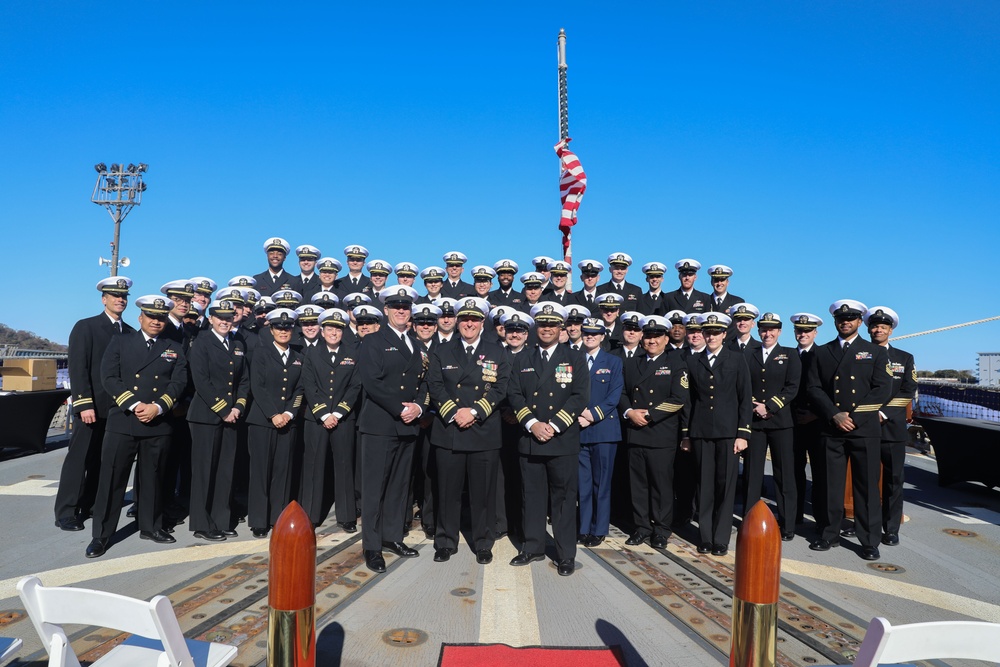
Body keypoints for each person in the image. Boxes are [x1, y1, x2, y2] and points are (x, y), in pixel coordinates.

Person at [85, 295, 189, 558]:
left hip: (158, 421)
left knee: (153, 478)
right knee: (112, 481)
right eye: (151, 316)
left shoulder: (174, 347)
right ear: (140, 317)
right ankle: (102, 535)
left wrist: (159, 407)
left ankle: (151, 526)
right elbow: (109, 377)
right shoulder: (120, 341)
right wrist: (134, 404)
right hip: (124, 421)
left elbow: (179, 382)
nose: (156, 321)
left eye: (161, 317)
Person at [507, 302, 590, 576]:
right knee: (531, 496)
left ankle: (565, 554)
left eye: (552, 324)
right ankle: (533, 547)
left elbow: (580, 396)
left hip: (561, 439)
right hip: (530, 437)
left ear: (561, 328)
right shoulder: (522, 358)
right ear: (535, 327)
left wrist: (553, 425)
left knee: (564, 500)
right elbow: (514, 395)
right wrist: (532, 424)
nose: (546, 329)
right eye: (542, 324)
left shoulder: (575, 357)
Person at [426, 297, 511, 564]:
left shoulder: (497, 351)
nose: (469, 324)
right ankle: (445, 541)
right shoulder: (441, 350)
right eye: (465, 319)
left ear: (482, 323)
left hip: (483, 430)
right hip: (449, 429)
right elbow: (435, 386)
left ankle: (483, 542)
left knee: (482, 494)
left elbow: (501, 387)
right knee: (447, 493)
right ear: (458, 322)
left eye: (475, 319)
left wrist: (473, 411)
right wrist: (455, 412)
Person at [805, 300, 891, 561]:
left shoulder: (875, 353)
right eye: (842, 318)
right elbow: (813, 388)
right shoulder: (821, 353)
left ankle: (869, 540)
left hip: (863, 429)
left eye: (851, 318)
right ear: (835, 322)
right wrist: (834, 414)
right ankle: (829, 533)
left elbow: (882, 388)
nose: (846, 322)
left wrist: (853, 416)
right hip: (832, 427)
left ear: (859, 322)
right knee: (831, 485)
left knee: (866, 487)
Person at [357, 285, 430, 573]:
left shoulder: (417, 344)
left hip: (408, 425)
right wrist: (400, 407)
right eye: (396, 306)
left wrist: (420, 408)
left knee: (400, 488)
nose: (402, 311)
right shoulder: (373, 341)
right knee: (375, 489)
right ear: (386, 310)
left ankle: (392, 537)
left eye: (406, 307)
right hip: (381, 425)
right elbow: (372, 382)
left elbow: (425, 381)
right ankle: (372, 546)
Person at [55, 276, 134, 532]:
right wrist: (83, 404)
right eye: (115, 296)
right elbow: (79, 368)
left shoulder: (130, 333)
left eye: (123, 297)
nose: (120, 300)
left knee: (104, 460)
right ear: (104, 299)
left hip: (117, 410)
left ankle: (90, 505)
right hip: (92, 407)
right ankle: (67, 511)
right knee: (79, 459)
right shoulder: (86, 327)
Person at [681, 312, 752, 557]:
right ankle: (705, 536)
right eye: (707, 332)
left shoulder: (736, 359)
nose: (710, 336)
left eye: (715, 332)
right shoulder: (693, 361)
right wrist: (687, 434)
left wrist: (743, 433)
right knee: (705, 484)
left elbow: (745, 398)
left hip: (728, 433)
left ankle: (721, 538)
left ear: (724, 334)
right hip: (701, 432)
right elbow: (689, 401)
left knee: (725, 484)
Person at [618, 315, 689, 548]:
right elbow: (621, 392)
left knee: (661, 485)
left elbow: (679, 399)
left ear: (666, 338)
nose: (651, 341)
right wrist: (629, 412)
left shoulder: (676, 363)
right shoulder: (631, 362)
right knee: (638, 484)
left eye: (657, 336)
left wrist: (649, 415)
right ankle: (641, 527)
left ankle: (661, 529)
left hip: (660, 432)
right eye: (648, 336)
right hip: (635, 431)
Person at [186, 298, 249, 541]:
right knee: (205, 471)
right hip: (207, 417)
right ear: (211, 319)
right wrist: (224, 409)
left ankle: (222, 520)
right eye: (219, 317)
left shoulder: (236, 343)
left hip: (232, 416)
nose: (225, 321)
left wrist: (238, 408)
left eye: (228, 317)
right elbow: (201, 381)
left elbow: (244, 380)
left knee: (225, 471)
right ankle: (202, 523)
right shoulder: (201, 343)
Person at [245, 308, 305, 539]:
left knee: (283, 471)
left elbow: (299, 389)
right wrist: (273, 414)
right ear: (271, 330)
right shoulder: (260, 353)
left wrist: (289, 413)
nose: (283, 331)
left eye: (287, 327)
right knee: (261, 470)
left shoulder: (299, 357)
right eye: (279, 327)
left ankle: (277, 517)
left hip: (288, 421)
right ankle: (259, 520)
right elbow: (257, 386)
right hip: (262, 421)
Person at [300, 308, 362, 530]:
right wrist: (324, 413)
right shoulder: (312, 353)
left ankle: (346, 517)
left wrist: (337, 413)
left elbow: (355, 386)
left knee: (344, 466)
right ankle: (311, 515)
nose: (333, 332)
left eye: (338, 328)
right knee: (314, 465)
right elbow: (309, 385)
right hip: (316, 419)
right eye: (329, 328)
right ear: (322, 330)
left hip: (343, 419)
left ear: (343, 331)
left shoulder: (353, 354)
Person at [743, 312, 801, 540]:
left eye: (772, 329)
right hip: (755, 422)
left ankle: (787, 524)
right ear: (759, 331)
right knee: (752, 473)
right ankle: (749, 519)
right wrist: (753, 406)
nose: (767, 333)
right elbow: (742, 385)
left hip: (781, 423)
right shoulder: (749, 354)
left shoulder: (789, 355)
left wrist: (770, 406)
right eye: (763, 329)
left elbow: (792, 386)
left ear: (779, 332)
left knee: (784, 474)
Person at [863, 306, 916, 547]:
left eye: (883, 327)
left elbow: (907, 391)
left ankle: (891, 528)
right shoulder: (859, 355)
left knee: (894, 480)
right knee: (867, 481)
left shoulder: (904, 358)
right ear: (869, 328)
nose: (878, 330)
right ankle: (866, 525)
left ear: (890, 330)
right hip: (864, 427)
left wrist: (883, 413)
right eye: (874, 326)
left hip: (892, 429)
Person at [577, 318, 624, 548]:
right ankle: (584, 527)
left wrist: (591, 415)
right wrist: (578, 415)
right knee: (583, 483)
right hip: (578, 429)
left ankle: (599, 528)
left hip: (604, 430)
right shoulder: (574, 359)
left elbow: (614, 396)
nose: (590, 336)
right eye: (586, 333)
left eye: (595, 334)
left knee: (601, 483)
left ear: (603, 336)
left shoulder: (613, 362)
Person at [789, 313, 824, 526]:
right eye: (799, 331)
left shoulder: (824, 355)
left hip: (817, 422)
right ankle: (794, 516)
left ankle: (821, 520)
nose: (803, 334)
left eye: (807, 331)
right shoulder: (788, 356)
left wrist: (817, 414)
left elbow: (829, 390)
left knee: (820, 474)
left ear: (815, 333)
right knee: (794, 472)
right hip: (793, 422)